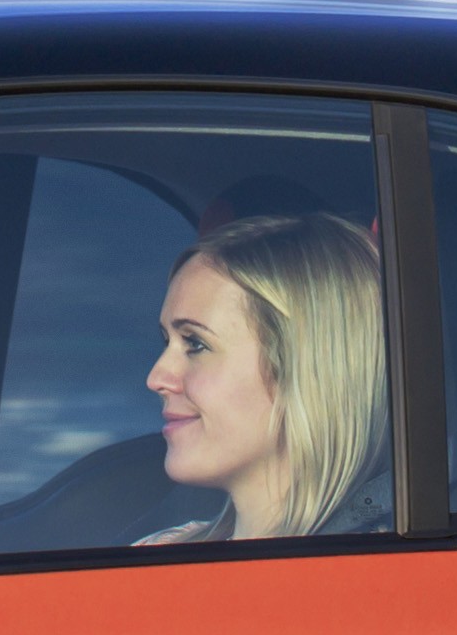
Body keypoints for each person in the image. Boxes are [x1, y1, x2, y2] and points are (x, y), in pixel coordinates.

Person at [144, 207, 391, 543]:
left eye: (196, 344)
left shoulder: (374, 569)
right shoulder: (161, 551)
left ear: (304, 368)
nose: (156, 378)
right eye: (166, 341)